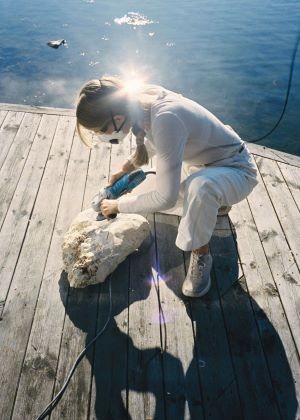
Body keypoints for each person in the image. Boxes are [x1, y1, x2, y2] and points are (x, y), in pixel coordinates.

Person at [76, 76, 258, 298]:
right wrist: (124, 170)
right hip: (200, 166)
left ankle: (201, 255)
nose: (100, 136)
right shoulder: (138, 100)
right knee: (145, 193)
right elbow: (153, 144)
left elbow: (166, 198)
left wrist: (117, 205)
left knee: (198, 189)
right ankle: (214, 204)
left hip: (236, 170)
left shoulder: (166, 116)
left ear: (118, 118)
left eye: (100, 132)